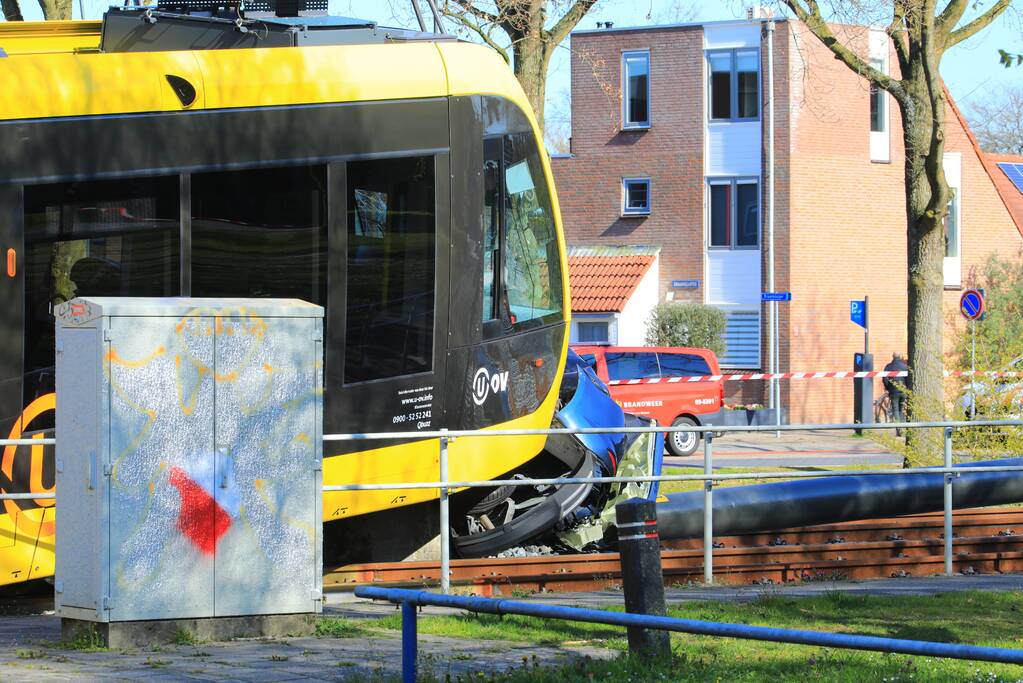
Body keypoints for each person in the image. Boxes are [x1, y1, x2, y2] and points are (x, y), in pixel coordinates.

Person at [882, 353, 909, 425]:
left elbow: (885, 378)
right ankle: (903, 427)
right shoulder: (905, 366)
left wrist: (888, 387)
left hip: (893, 392)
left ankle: (899, 429)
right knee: (902, 409)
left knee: (895, 410)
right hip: (903, 391)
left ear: (893, 357)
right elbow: (908, 378)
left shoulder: (888, 366)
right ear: (900, 357)